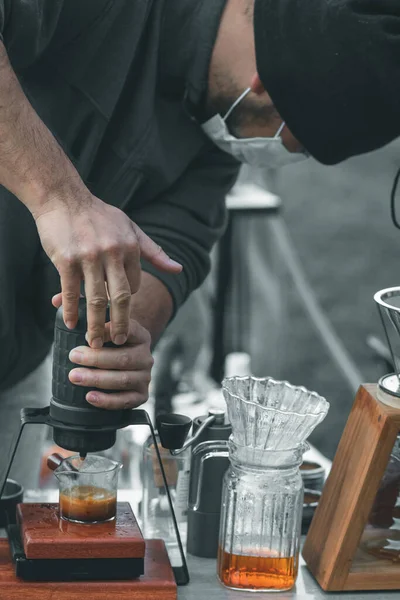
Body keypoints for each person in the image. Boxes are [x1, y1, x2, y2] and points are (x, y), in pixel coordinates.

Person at [0, 0, 399, 417]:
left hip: (13, 375)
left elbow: (174, 242)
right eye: (291, 137)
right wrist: (59, 198)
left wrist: (126, 342)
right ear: (266, 80)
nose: (279, 151)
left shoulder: (214, 134)